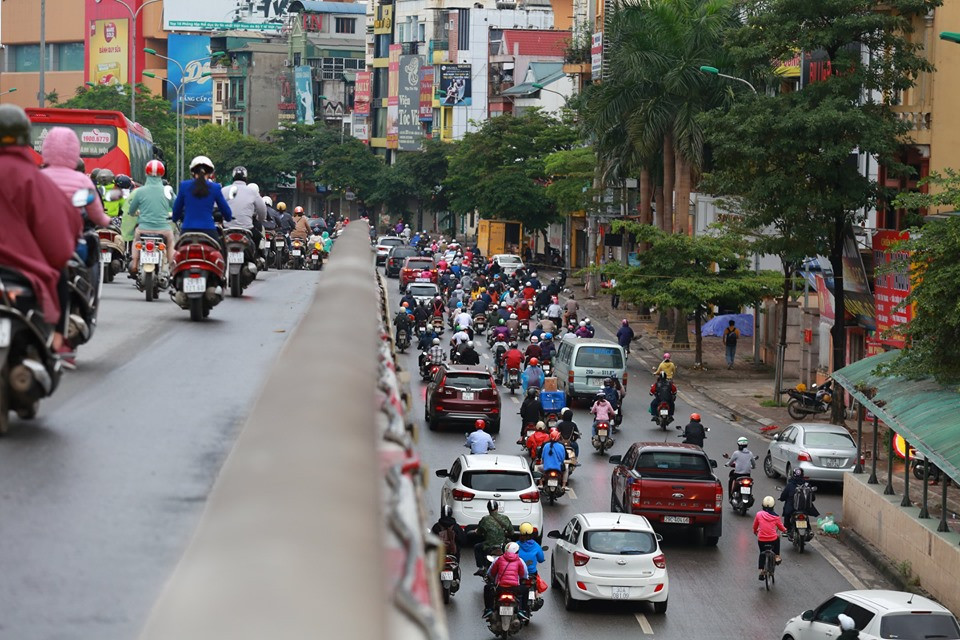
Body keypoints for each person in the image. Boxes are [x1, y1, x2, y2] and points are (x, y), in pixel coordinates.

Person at [0, 104, 82, 357]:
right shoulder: (38, 183)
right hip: (23, 278)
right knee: (61, 273)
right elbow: (60, 249)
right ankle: (57, 339)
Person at [40, 127, 111, 229]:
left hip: (43, 230)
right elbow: (96, 213)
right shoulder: (83, 181)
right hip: (73, 230)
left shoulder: (38, 176)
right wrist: (106, 221)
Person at [126, 160, 175, 272]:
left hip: (143, 229)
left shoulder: (140, 191)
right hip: (163, 229)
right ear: (162, 174)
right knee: (170, 241)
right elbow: (176, 206)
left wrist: (134, 213)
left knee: (136, 240)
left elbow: (131, 210)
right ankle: (172, 267)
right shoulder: (167, 190)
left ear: (146, 173)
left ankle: (135, 263)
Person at [172, 156, 233, 243]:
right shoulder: (215, 187)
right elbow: (226, 212)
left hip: (187, 231)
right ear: (210, 173)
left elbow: (176, 211)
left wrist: (175, 218)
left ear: (192, 172)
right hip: (209, 231)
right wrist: (228, 218)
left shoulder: (184, 186)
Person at [483, 541, 529, 619]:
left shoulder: (498, 559)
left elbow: (491, 572)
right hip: (514, 588)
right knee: (526, 589)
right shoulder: (520, 561)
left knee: (487, 588)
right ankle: (523, 610)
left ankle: (488, 609)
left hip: (500, 587)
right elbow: (523, 575)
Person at [474, 500, 514, 572]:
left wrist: (477, 531)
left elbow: (479, 532)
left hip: (488, 546)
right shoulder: (505, 518)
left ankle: (481, 567)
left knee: (477, 547)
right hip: (502, 545)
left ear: (488, 509)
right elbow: (511, 532)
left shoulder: (485, 519)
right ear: (497, 508)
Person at [753, 496, 786, 580]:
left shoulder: (759, 514)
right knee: (777, 537)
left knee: (762, 553)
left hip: (761, 540)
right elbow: (781, 527)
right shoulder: (776, 517)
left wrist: (755, 531)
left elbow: (755, 526)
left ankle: (761, 570)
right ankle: (777, 556)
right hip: (773, 540)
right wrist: (785, 530)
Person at [779, 468, 820, 537]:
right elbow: (812, 498)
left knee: (787, 515)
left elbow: (783, 496)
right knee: (806, 517)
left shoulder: (790, 484)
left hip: (792, 508)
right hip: (805, 508)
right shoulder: (807, 485)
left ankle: (787, 530)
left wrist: (782, 498)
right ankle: (809, 530)